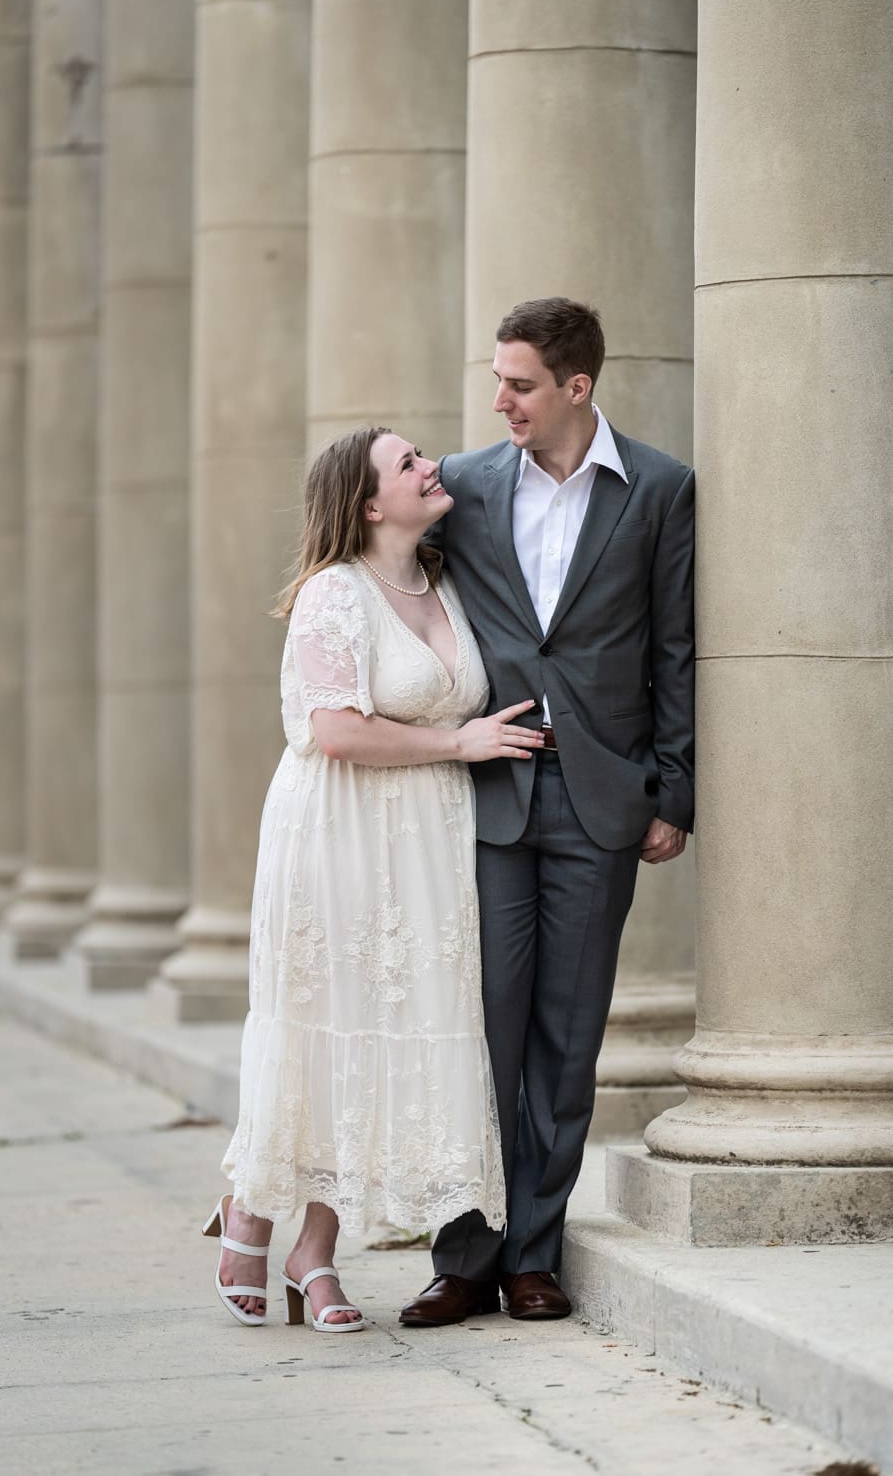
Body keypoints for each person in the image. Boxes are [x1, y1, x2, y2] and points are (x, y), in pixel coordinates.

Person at [203, 426, 544, 1331]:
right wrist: (459, 742)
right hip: (339, 832)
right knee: (324, 1031)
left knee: (376, 1036)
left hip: (426, 840)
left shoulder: (447, 583)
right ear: (366, 504)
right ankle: (249, 1218)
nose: (432, 468)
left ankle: (315, 1254)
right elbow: (338, 728)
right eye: (407, 465)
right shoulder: (333, 595)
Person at [400, 298, 695, 1327]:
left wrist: (674, 789)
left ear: (577, 386)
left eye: (519, 383)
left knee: (565, 1043)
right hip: (482, 793)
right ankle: (463, 1255)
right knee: (478, 1031)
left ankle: (534, 1254)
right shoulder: (467, 484)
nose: (499, 400)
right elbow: (393, 572)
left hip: (601, 796)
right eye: (497, 380)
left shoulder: (659, 488)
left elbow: (673, 648)